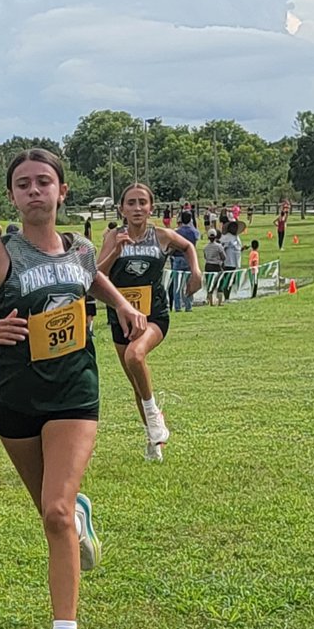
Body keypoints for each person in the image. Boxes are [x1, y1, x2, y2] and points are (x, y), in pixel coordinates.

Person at [0, 148, 146, 629]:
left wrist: (125, 308)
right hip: (15, 397)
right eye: (24, 184)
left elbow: (94, 280)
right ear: (12, 196)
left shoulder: (82, 249)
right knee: (51, 508)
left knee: (54, 513)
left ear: (62, 191)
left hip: (73, 393)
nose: (35, 191)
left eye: (44, 182)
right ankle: (79, 515)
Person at [97, 182, 202, 461]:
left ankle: (155, 419)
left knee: (135, 356)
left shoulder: (162, 236)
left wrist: (196, 271)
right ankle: (153, 440)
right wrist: (115, 252)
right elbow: (96, 276)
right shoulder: (112, 237)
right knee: (136, 381)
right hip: (120, 317)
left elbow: (188, 246)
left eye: (142, 202)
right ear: (121, 209)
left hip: (154, 314)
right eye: (130, 203)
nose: (137, 208)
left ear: (151, 208)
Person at [171, 210, 200, 311]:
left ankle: (177, 306)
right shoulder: (194, 232)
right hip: (189, 258)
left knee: (177, 284)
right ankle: (188, 305)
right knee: (189, 283)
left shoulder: (177, 232)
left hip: (178, 258)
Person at [220, 219, 242, 301]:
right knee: (227, 280)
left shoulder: (237, 237)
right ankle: (226, 297)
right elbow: (222, 248)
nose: (235, 229)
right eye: (233, 227)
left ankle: (227, 296)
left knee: (232, 281)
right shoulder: (225, 237)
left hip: (235, 262)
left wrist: (241, 249)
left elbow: (237, 248)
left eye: (236, 227)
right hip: (228, 262)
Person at [203, 228, 226, 306]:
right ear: (216, 236)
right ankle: (219, 302)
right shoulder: (219, 246)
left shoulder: (205, 247)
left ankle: (211, 302)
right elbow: (224, 257)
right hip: (217, 266)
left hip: (208, 266)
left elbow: (205, 257)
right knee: (220, 283)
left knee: (210, 284)